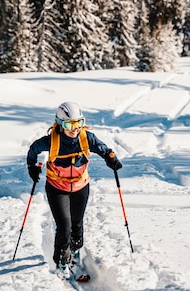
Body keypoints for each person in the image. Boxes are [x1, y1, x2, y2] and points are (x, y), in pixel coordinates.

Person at [27, 101, 122, 280]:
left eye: (79, 123)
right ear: (61, 124)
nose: (75, 129)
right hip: (57, 187)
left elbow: (104, 149)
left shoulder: (86, 138)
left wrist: (111, 158)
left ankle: (75, 250)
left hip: (80, 186)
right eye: (70, 124)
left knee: (77, 224)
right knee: (65, 225)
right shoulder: (51, 141)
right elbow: (33, 150)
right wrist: (31, 167)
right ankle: (61, 261)